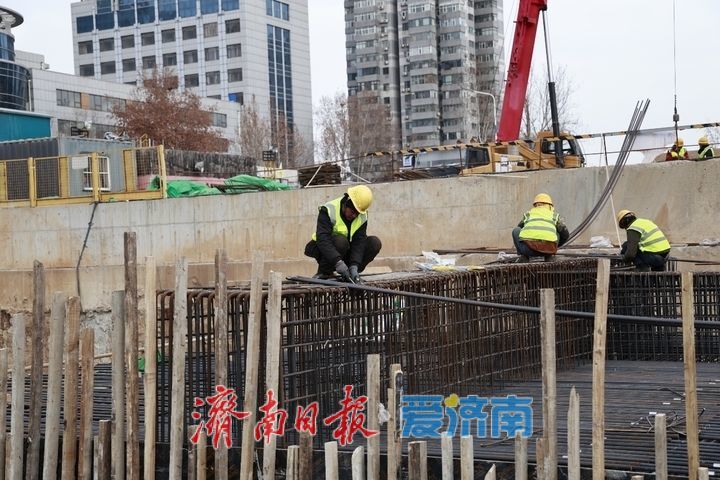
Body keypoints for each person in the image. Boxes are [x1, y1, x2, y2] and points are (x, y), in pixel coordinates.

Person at [304, 184, 382, 282]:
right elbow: (323, 239)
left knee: (374, 243)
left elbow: (359, 241)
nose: (354, 216)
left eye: (357, 213)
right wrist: (338, 263)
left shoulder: (362, 216)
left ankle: (351, 273)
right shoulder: (328, 210)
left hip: (346, 252)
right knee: (341, 241)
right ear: (347, 202)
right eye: (352, 211)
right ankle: (324, 272)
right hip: (323, 250)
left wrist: (354, 265)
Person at [512, 193, 570, 262]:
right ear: (550, 206)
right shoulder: (554, 216)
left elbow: (519, 228)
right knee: (558, 231)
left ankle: (524, 257)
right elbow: (565, 235)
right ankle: (550, 256)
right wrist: (554, 247)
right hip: (548, 250)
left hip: (529, 250)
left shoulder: (528, 214)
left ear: (535, 205)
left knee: (516, 230)